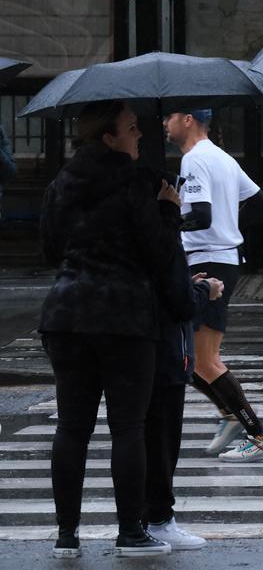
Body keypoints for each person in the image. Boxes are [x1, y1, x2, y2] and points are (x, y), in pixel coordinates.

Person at [40, 100, 181, 558]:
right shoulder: (137, 182)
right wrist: (168, 211)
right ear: (108, 136)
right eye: (132, 129)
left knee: (72, 426)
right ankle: (130, 531)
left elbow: (49, 247)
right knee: (128, 426)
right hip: (123, 316)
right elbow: (156, 255)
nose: (139, 136)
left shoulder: (62, 181)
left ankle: (66, 534)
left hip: (66, 314)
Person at [163, 108, 263, 462]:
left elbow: (200, 215)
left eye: (167, 118)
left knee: (204, 360)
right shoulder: (221, 157)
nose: (163, 126)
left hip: (207, 261)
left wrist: (164, 220)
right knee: (192, 359)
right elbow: (259, 202)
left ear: (187, 119)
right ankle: (230, 415)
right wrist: (230, 227)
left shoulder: (195, 159)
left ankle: (260, 436)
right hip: (221, 257)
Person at [144, 245, 225, 551]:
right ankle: (158, 519)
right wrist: (205, 289)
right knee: (161, 439)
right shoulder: (160, 232)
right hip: (164, 350)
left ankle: (71, 532)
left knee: (135, 435)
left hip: (128, 344)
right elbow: (180, 304)